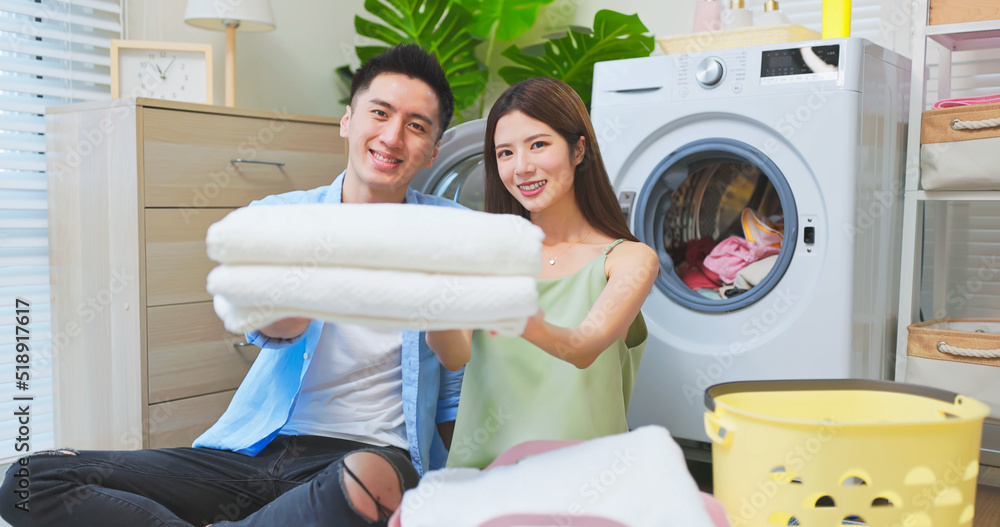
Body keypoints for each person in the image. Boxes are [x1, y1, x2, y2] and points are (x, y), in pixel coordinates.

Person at [0, 44, 462, 527]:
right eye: (380, 113)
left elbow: (454, 393)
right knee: (34, 480)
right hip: (253, 454)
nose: (391, 136)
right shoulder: (277, 218)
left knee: (368, 483)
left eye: (415, 126)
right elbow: (271, 324)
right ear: (348, 120)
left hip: (366, 459)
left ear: (432, 149)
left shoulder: (454, 235)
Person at [427, 77, 659, 469]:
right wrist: (436, 302)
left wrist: (513, 314)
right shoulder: (487, 253)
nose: (522, 167)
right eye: (505, 153)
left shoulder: (629, 259)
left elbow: (583, 348)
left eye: (538, 144)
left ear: (578, 149)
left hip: (585, 482)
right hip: (484, 476)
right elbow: (454, 356)